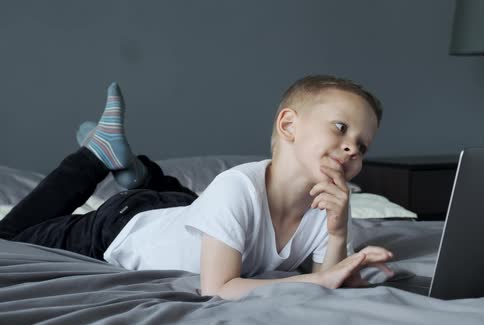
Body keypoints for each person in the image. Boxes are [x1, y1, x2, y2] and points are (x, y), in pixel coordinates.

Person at [0, 75, 394, 300]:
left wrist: (338, 230)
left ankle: (139, 172)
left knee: (190, 205)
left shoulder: (328, 206)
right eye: (341, 128)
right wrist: (317, 279)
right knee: (8, 237)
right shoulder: (238, 187)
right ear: (288, 125)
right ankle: (97, 156)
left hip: (179, 208)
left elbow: (334, 277)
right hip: (119, 227)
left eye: (362, 145)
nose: (351, 147)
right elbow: (218, 287)